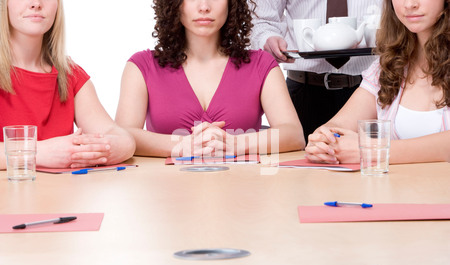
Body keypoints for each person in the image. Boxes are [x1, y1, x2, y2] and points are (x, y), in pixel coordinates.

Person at [115, 0, 304, 158]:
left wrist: (234, 144)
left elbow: (294, 134)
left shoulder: (262, 64)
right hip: (165, 194)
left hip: (244, 191)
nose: (204, 7)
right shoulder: (141, 66)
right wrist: (183, 145)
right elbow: (123, 136)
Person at [305, 0, 450, 164]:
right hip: (399, 188)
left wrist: (372, 150)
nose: (410, 4)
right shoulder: (387, 66)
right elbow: (338, 125)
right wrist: (323, 139)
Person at [0, 0, 135, 170]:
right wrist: (39, 152)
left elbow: (123, 140)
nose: (36, 3)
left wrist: (91, 151)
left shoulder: (70, 74)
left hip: (61, 194)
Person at [251, 0, 382, 142]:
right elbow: (260, 18)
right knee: (296, 160)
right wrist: (267, 38)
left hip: (372, 90)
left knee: (373, 158)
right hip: (303, 91)